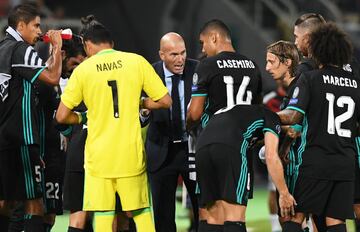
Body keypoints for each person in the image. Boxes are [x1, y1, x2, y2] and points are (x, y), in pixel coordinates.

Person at [56, 15, 172, 232]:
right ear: (112, 44)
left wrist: (82, 117)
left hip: (98, 159)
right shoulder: (136, 61)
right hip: (130, 155)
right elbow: (165, 100)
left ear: (87, 44)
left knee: (103, 215)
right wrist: (139, 102)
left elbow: (62, 116)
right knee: (140, 212)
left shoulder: (84, 70)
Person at [278, 22, 360, 232]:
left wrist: (262, 116)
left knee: (294, 215)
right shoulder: (355, 84)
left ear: (317, 50)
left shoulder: (311, 78)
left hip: (316, 160)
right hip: (345, 162)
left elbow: (293, 115)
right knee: (335, 221)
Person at [0, 3, 62, 231]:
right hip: (22, 139)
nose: (39, 31)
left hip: (3, 139)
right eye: (36, 26)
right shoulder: (21, 49)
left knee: (6, 202)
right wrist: (57, 47)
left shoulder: (1, 49)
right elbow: (53, 78)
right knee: (34, 203)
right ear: (21, 25)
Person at [195, 104, 296, 232]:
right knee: (235, 217)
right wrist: (284, 193)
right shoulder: (271, 117)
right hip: (230, 148)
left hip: (201, 149)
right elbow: (271, 156)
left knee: (212, 217)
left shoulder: (242, 113)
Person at [141, 32, 199, 232]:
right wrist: (143, 112)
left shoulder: (198, 70)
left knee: (204, 211)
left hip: (192, 149)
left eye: (183, 53)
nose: (180, 59)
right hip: (161, 151)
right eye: (174, 54)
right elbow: (141, 118)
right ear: (162, 55)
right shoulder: (149, 73)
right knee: (163, 216)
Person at [187, 18, 262, 130]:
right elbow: (258, 107)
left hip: (215, 136)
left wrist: (186, 126)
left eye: (203, 43)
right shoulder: (253, 66)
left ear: (213, 37)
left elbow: (194, 115)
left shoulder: (207, 65)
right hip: (244, 138)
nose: (202, 49)